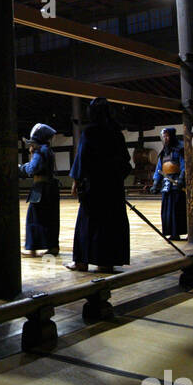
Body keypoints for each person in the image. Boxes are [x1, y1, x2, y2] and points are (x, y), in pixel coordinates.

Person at [67, 98, 130, 273]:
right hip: (113, 188)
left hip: (93, 188)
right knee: (110, 224)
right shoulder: (116, 133)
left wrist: (76, 182)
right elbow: (126, 163)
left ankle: (81, 262)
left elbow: (82, 159)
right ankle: (106, 262)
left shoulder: (90, 132)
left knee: (87, 224)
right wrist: (114, 179)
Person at [20, 123, 60, 256]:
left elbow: (33, 169)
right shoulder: (48, 150)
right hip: (51, 189)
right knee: (51, 219)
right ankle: (53, 247)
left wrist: (22, 167)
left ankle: (32, 248)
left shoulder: (39, 151)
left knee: (33, 218)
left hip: (40, 189)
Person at [149, 127, 186, 239]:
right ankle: (172, 233)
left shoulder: (180, 149)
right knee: (167, 209)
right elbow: (159, 169)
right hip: (167, 183)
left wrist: (181, 179)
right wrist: (155, 184)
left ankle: (179, 232)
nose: (166, 138)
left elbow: (184, 166)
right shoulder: (164, 152)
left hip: (177, 183)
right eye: (164, 136)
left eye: (167, 136)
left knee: (177, 209)